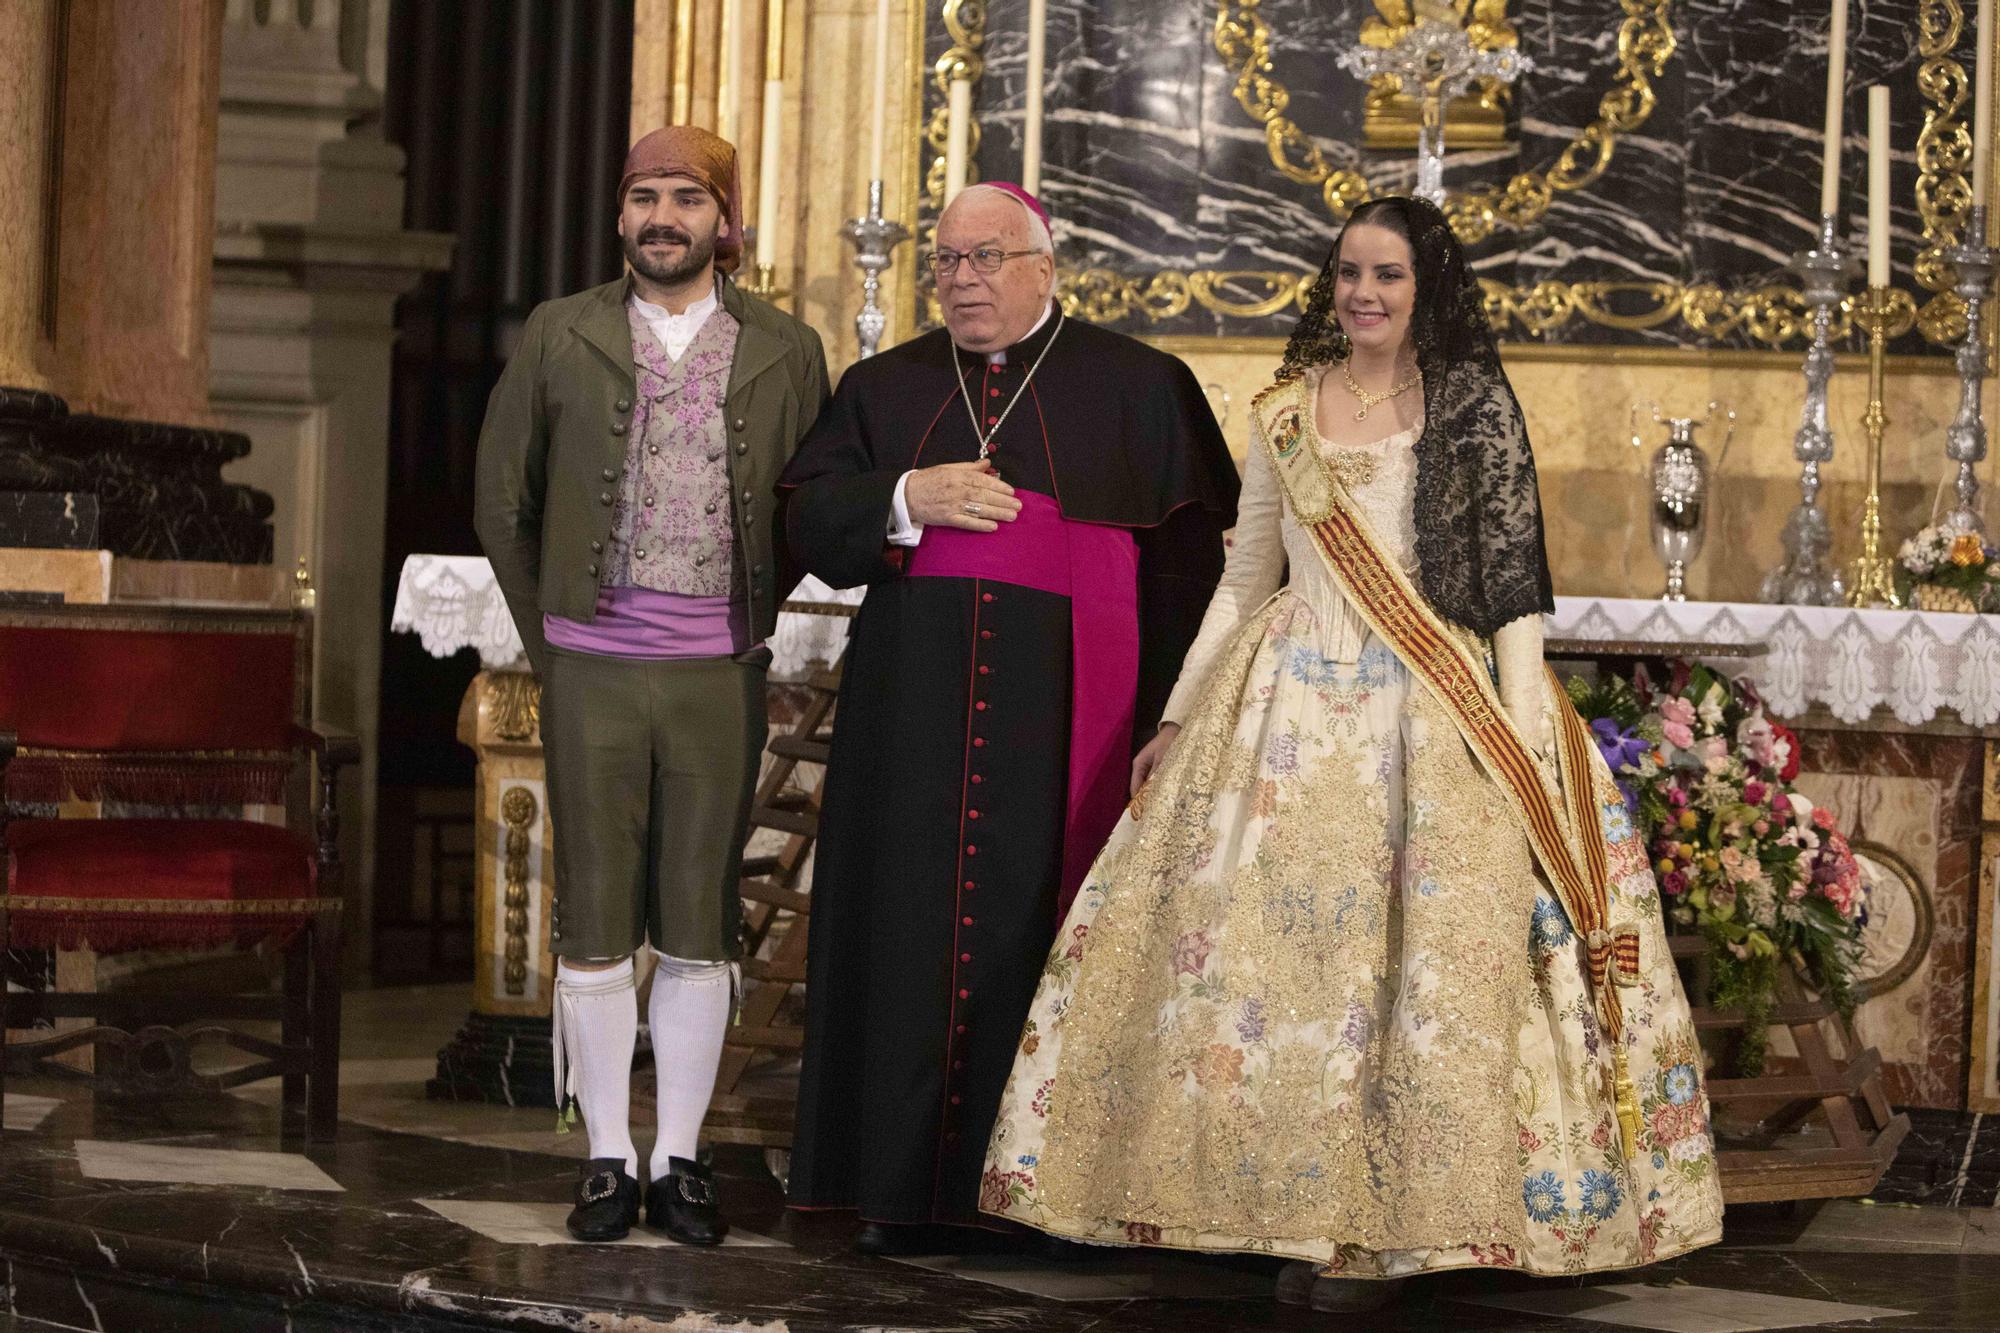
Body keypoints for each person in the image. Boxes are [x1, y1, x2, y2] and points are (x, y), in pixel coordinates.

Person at [979, 196, 1724, 1308]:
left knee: (1417, 973)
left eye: (1386, 276)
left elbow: (1510, 590)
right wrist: (1178, 719)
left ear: (1428, 289)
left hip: (1436, 711)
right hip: (1279, 709)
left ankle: (1408, 1224)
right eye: (1346, 274)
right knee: (1271, 982)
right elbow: (1244, 583)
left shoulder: (1466, 406)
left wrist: (1520, 741)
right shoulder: (1283, 409)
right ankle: (1287, 1217)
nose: (1362, 294)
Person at [779, 182, 1240, 1254]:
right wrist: (906, 498)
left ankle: (1043, 1197)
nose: (962, 279)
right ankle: (895, 1188)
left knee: (1048, 931)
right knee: (902, 928)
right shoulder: (883, 385)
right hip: (909, 725)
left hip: (1070, 726)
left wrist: (1172, 721)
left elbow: (1191, 575)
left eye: (986, 257)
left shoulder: (1141, 385)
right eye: (944, 261)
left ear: (1044, 264)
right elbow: (803, 514)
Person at [474, 125, 828, 1246]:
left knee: (696, 918)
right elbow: (502, 501)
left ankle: (678, 1160)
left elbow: (808, 505)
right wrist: (559, 637)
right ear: (619, 216)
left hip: (715, 668)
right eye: (642, 198)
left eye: (684, 198)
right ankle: (606, 1160)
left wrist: (748, 625)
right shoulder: (558, 332)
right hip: (594, 665)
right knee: (590, 915)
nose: (660, 217)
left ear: (725, 220)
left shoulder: (785, 346)